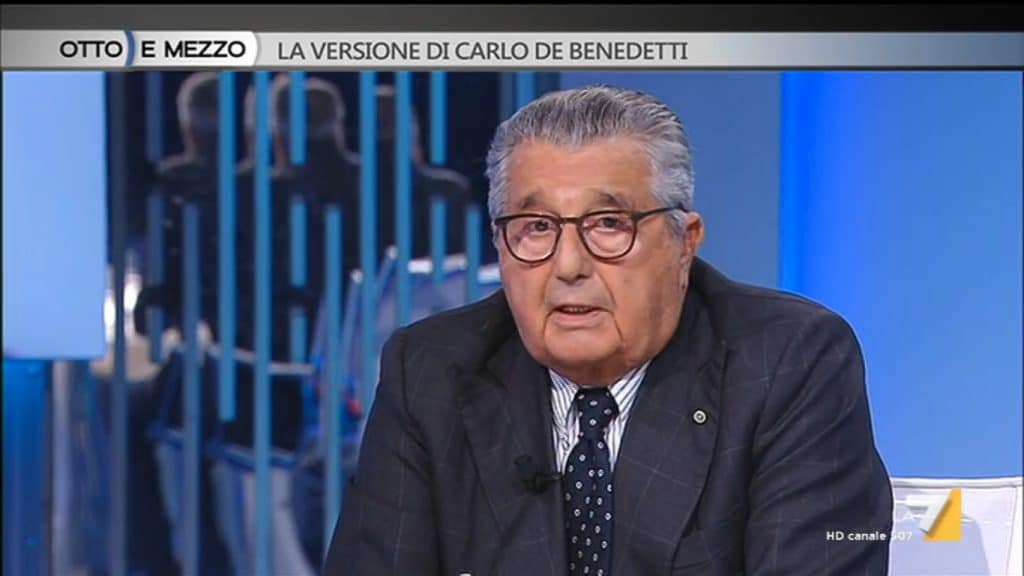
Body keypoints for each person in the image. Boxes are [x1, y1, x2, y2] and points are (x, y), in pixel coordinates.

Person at [324, 85, 894, 575]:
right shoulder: (431, 370)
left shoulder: (788, 360)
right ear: (500, 245)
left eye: (608, 224)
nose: (568, 265)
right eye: (536, 227)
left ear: (685, 243)